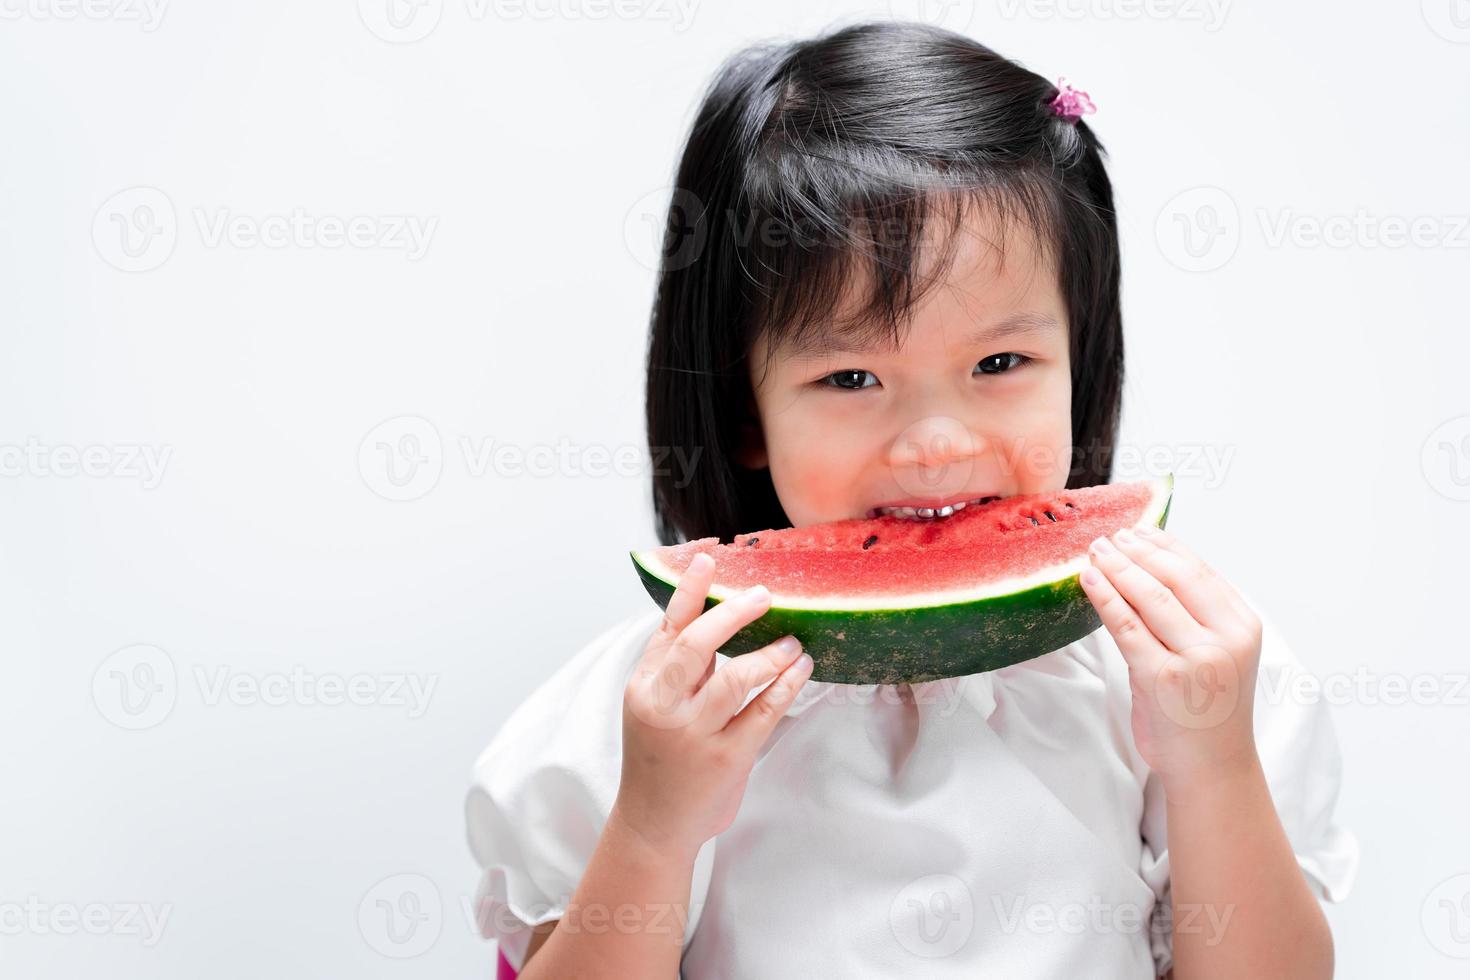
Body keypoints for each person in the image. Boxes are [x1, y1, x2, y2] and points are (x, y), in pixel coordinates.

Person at [464, 20, 1358, 978]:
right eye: (851, 378)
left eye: (1000, 362)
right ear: (744, 409)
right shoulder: (648, 712)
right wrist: (652, 825)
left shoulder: (1179, 668)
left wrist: (1213, 762)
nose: (937, 442)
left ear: (1080, 360)